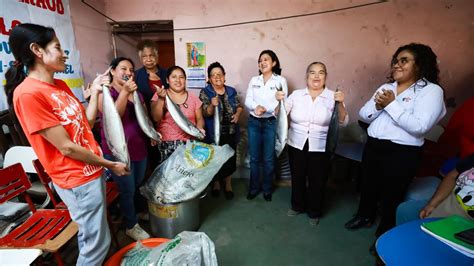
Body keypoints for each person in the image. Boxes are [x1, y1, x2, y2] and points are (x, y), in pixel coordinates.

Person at [6, 23, 129, 265]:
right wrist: (110, 164)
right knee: (96, 245)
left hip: (91, 173)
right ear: (37, 50)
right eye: (58, 47)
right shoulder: (28, 93)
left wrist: (95, 93)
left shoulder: (59, 86)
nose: (64, 53)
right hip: (77, 180)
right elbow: (66, 148)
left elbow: (87, 122)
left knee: (94, 239)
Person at [344, 43, 446, 249]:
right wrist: (379, 105)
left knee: (393, 195)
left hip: (402, 153)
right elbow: (364, 115)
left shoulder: (431, 91)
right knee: (368, 185)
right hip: (374, 146)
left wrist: (391, 104)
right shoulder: (386, 88)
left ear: (420, 65)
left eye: (404, 60)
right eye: (395, 61)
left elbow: (420, 126)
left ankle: (384, 234)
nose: (397, 65)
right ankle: (365, 216)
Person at [283, 62, 348, 225]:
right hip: (296, 143)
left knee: (317, 179)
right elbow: (281, 114)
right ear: (307, 77)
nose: (316, 76)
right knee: (297, 177)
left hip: (321, 145)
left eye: (321, 73)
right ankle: (297, 206)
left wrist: (340, 103)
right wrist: (278, 101)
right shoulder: (296, 95)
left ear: (326, 77)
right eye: (312, 73)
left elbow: (344, 122)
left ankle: (314, 211)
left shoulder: (334, 96)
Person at [98, 57, 151, 241]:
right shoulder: (104, 93)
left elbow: (144, 115)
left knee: (136, 184)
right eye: (123, 68)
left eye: (131, 69)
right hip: (117, 150)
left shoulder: (137, 92)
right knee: (126, 189)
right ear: (112, 71)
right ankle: (130, 225)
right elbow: (114, 117)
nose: (128, 72)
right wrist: (124, 93)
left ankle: (134, 213)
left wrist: (151, 133)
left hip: (138, 147)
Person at [245, 49, 288, 201]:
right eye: (260, 60)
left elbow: (282, 107)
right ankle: (254, 188)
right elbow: (248, 100)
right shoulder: (254, 80)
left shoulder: (280, 81)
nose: (262, 62)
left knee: (269, 158)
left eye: (266, 59)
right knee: (255, 158)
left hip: (271, 123)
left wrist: (277, 103)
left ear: (274, 63)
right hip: (254, 122)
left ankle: (267, 189)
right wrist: (255, 107)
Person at [199, 62, 243, 200]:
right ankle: (216, 183)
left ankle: (228, 184)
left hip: (230, 131)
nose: (217, 77)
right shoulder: (205, 92)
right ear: (209, 78)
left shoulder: (231, 91)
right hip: (214, 133)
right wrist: (212, 105)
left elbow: (239, 106)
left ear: (224, 76)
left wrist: (237, 115)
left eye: (220, 74)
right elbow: (206, 113)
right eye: (213, 75)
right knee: (215, 160)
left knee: (229, 158)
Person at [396, 153, 474, 225]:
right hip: (449, 198)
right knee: (405, 210)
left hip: (465, 217)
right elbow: (452, 176)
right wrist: (432, 204)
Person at [151, 65, 205, 162]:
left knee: (187, 176)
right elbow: (156, 118)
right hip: (166, 144)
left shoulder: (194, 98)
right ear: (167, 80)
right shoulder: (160, 95)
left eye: (181, 77)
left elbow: (200, 118)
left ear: (185, 80)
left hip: (189, 144)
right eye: (174, 77)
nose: (178, 80)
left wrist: (200, 128)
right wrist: (160, 99)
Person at [135, 40, 168, 171]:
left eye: (151, 55)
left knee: (167, 158)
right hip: (144, 122)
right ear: (140, 58)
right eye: (145, 56)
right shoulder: (136, 75)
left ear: (157, 56)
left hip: (166, 121)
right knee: (150, 159)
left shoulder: (167, 74)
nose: (148, 59)